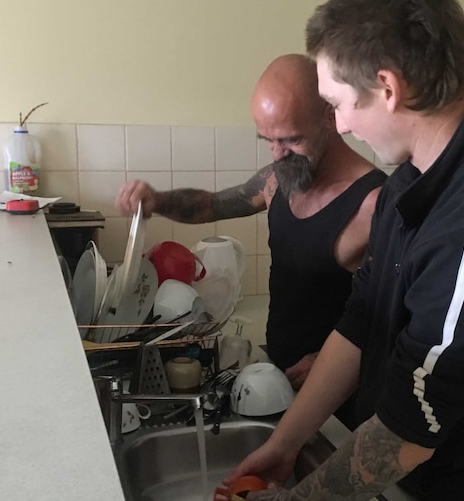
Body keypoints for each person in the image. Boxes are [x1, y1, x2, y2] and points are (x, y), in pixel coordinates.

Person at [223, 0, 464, 501]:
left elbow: (406, 435)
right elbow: (359, 323)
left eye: (339, 104)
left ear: (387, 87)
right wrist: (285, 443)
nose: (340, 123)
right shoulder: (410, 183)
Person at [114, 54, 386, 418]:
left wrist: (326, 360)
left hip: (341, 393)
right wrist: (157, 200)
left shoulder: (375, 204)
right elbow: (212, 205)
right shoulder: (278, 178)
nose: (277, 153)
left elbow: (401, 315)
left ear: (329, 114)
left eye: (290, 140)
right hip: (278, 372)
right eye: (268, 140)